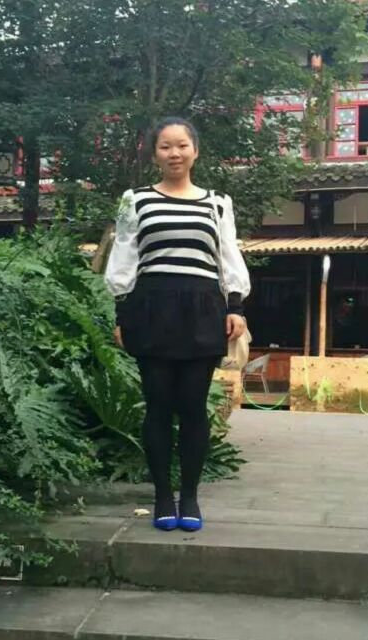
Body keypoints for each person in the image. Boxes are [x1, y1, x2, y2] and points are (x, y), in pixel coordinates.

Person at [104, 117, 250, 532]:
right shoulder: (135, 201)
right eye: (165, 146)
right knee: (158, 405)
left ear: (195, 151)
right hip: (151, 309)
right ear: (155, 154)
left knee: (193, 406)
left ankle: (189, 496)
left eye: (182, 145)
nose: (174, 153)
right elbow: (124, 256)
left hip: (203, 310)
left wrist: (236, 306)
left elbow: (227, 256)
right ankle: (162, 496)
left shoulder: (217, 203)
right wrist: (121, 313)